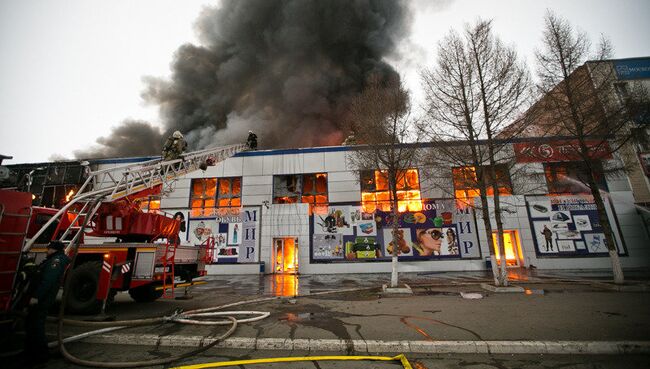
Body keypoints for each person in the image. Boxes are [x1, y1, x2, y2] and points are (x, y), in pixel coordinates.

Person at [24, 241, 70, 364]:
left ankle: (39, 355)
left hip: (42, 299)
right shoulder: (54, 260)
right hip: (42, 298)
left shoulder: (56, 261)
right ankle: (36, 352)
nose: (46, 250)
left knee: (36, 325)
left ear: (53, 249)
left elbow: (48, 281)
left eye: (48, 248)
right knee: (34, 324)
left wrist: (36, 297)